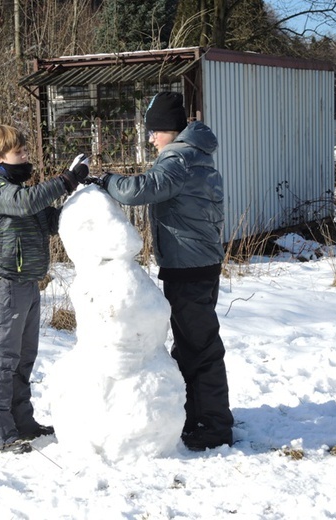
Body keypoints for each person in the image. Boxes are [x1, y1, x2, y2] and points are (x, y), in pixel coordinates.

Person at [96, 92, 234, 451]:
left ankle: (214, 425)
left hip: (188, 266)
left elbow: (142, 189)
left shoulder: (179, 159)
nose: (151, 138)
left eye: (155, 130)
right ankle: (196, 415)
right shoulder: (198, 155)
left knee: (200, 348)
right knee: (193, 345)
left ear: (171, 129)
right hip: (197, 263)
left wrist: (105, 180)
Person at [0, 124, 88, 453]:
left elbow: (48, 221)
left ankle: (22, 421)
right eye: (18, 152)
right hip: (6, 283)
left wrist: (84, 198)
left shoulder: (17, 185)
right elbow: (24, 204)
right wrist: (66, 181)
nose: (25, 156)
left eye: (26, 150)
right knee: (3, 359)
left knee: (24, 357)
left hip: (27, 280)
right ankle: (0, 435)